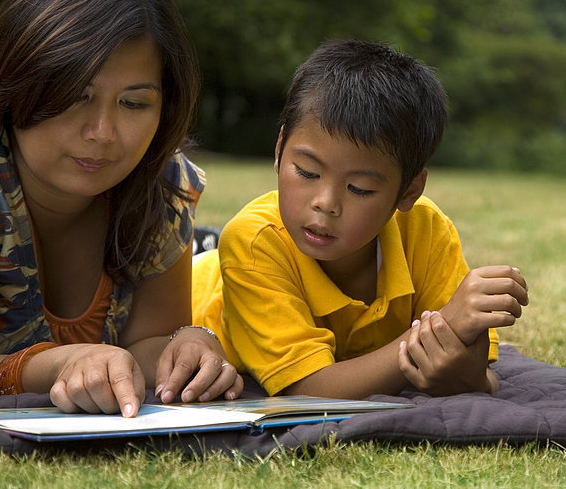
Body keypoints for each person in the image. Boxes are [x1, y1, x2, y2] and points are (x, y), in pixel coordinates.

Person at [0, 0, 243, 418]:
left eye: (134, 104)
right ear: (14, 81)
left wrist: (188, 350)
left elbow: (147, 345)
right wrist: (62, 364)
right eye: (75, 96)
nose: (103, 134)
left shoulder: (159, 182)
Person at [192, 39, 528, 399]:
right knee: (204, 252)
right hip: (198, 285)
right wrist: (441, 327)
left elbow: (474, 374)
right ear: (278, 152)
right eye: (306, 172)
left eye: (360, 189)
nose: (326, 203)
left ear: (408, 192)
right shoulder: (253, 243)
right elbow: (309, 388)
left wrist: (467, 363)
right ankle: (203, 241)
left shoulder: (426, 232)